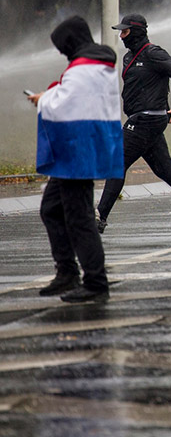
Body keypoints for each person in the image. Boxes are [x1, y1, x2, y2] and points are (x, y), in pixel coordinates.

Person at [28, 16, 124, 303]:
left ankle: (96, 282)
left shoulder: (84, 68)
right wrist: (50, 94)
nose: (61, 52)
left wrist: (43, 99)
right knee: (52, 209)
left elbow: (64, 105)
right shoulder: (94, 64)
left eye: (62, 46)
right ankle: (67, 273)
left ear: (71, 42)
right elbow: (75, 97)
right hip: (81, 151)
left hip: (78, 153)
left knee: (80, 219)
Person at [96, 14, 171, 233]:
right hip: (140, 119)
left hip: (148, 119)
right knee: (165, 170)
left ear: (137, 32)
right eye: (120, 32)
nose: (121, 36)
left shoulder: (154, 53)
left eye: (125, 31)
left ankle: (100, 216)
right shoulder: (128, 57)